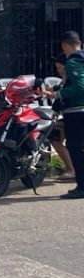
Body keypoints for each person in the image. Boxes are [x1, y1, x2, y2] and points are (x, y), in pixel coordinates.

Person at [44, 31, 84, 199]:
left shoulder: (73, 62)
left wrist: (56, 95)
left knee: (76, 149)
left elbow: (80, 86)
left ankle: (82, 187)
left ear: (65, 45)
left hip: (76, 112)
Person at [50, 54, 75, 181]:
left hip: (75, 116)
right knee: (56, 137)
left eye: (60, 68)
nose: (58, 71)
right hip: (68, 116)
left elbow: (61, 99)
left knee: (57, 138)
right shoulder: (65, 82)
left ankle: (71, 169)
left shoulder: (72, 81)